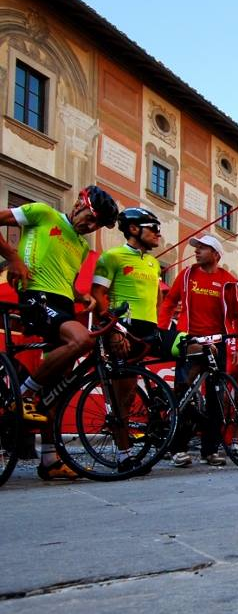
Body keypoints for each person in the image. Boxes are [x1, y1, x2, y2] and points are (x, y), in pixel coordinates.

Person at [0, 185, 119, 479]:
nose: (91, 227)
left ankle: (50, 461)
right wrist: (13, 258)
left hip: (63, 305)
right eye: (91, 219)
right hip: (36, 299)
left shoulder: (80, 246)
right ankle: (24, 393)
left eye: (98, 225)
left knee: (57, 389)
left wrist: (84, 298)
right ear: (80, 202)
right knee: (80, 339)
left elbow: (66, 282)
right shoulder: (43, 213)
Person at [92, 207, 190, 473]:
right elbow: (98, 295)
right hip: (123, 329)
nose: (159, 233)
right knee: (123, 398)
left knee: (197, 347)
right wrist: (112, 330)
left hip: (150, 330)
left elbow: (157, 300)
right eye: (153, 227)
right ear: (134, 229)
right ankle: (125, 456)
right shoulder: (111, 256)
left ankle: (182, 403)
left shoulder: (153, 263)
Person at [158, 234, 238, 467]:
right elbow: (169, 302)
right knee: (183, 393)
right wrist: (163, 331)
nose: (196, 251)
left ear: (216, 255)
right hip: (189, 342)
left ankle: (210, 450)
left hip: (217, 346)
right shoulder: (187, 275)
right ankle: (178, 448)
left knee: (216, 399)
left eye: (203, 248)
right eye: (196, 248)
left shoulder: (229, 281)